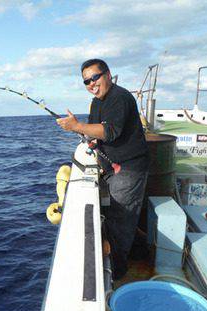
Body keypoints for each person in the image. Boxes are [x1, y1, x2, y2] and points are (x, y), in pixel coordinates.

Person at [56, 59, 149, 280]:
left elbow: (111, 131)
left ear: (108, 75)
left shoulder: (120, 97)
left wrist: (77, 126)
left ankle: (118, 271)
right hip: (110, 168)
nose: (91, 84)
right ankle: (130, 254)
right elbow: (97, 132)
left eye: (95, 77)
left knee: (121, 220)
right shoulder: (96, 102)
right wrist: (87, 135)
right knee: (115, 216)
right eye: (86, 81)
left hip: (129, 169)